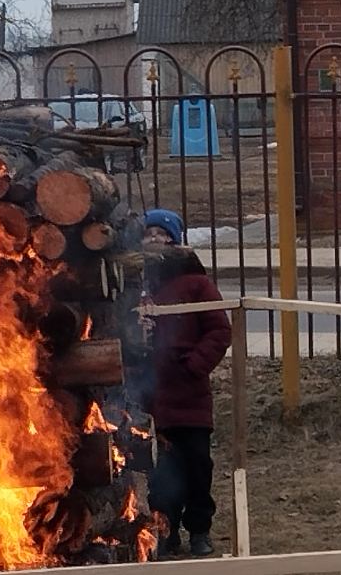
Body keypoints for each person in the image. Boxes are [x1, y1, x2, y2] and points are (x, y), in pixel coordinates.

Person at [141, 207, 231, 559]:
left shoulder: (197, 285)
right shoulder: (137, 285)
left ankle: (199, 530)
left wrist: (194, 365)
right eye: (149, 234)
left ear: (175, 241)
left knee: (197, 468)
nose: (154, 240)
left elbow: (218, 330)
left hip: (189, 397)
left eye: (162, 234)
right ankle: (166, 531)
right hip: (153, 397)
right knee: (160, 474)